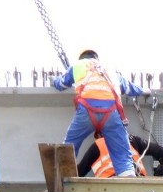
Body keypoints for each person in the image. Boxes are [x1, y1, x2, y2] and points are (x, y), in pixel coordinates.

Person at [52, 48, 141, 177]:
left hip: (86, 112)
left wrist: (53, 80)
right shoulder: (109, 69)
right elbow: (129, 88)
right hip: (111, 114)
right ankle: (128, 179)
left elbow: (61, 84)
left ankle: (62, 177)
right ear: (97, 58)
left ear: (82, 58)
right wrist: (145, 90)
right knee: (122, 154)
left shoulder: (78, 66)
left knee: (69, 146)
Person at [77, 134, 148, 179]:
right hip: (139, 183)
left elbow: (79, 172)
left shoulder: (99, 144)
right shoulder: (132, 140)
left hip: (110, 186)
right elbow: (157, 150)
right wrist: (158, 172)